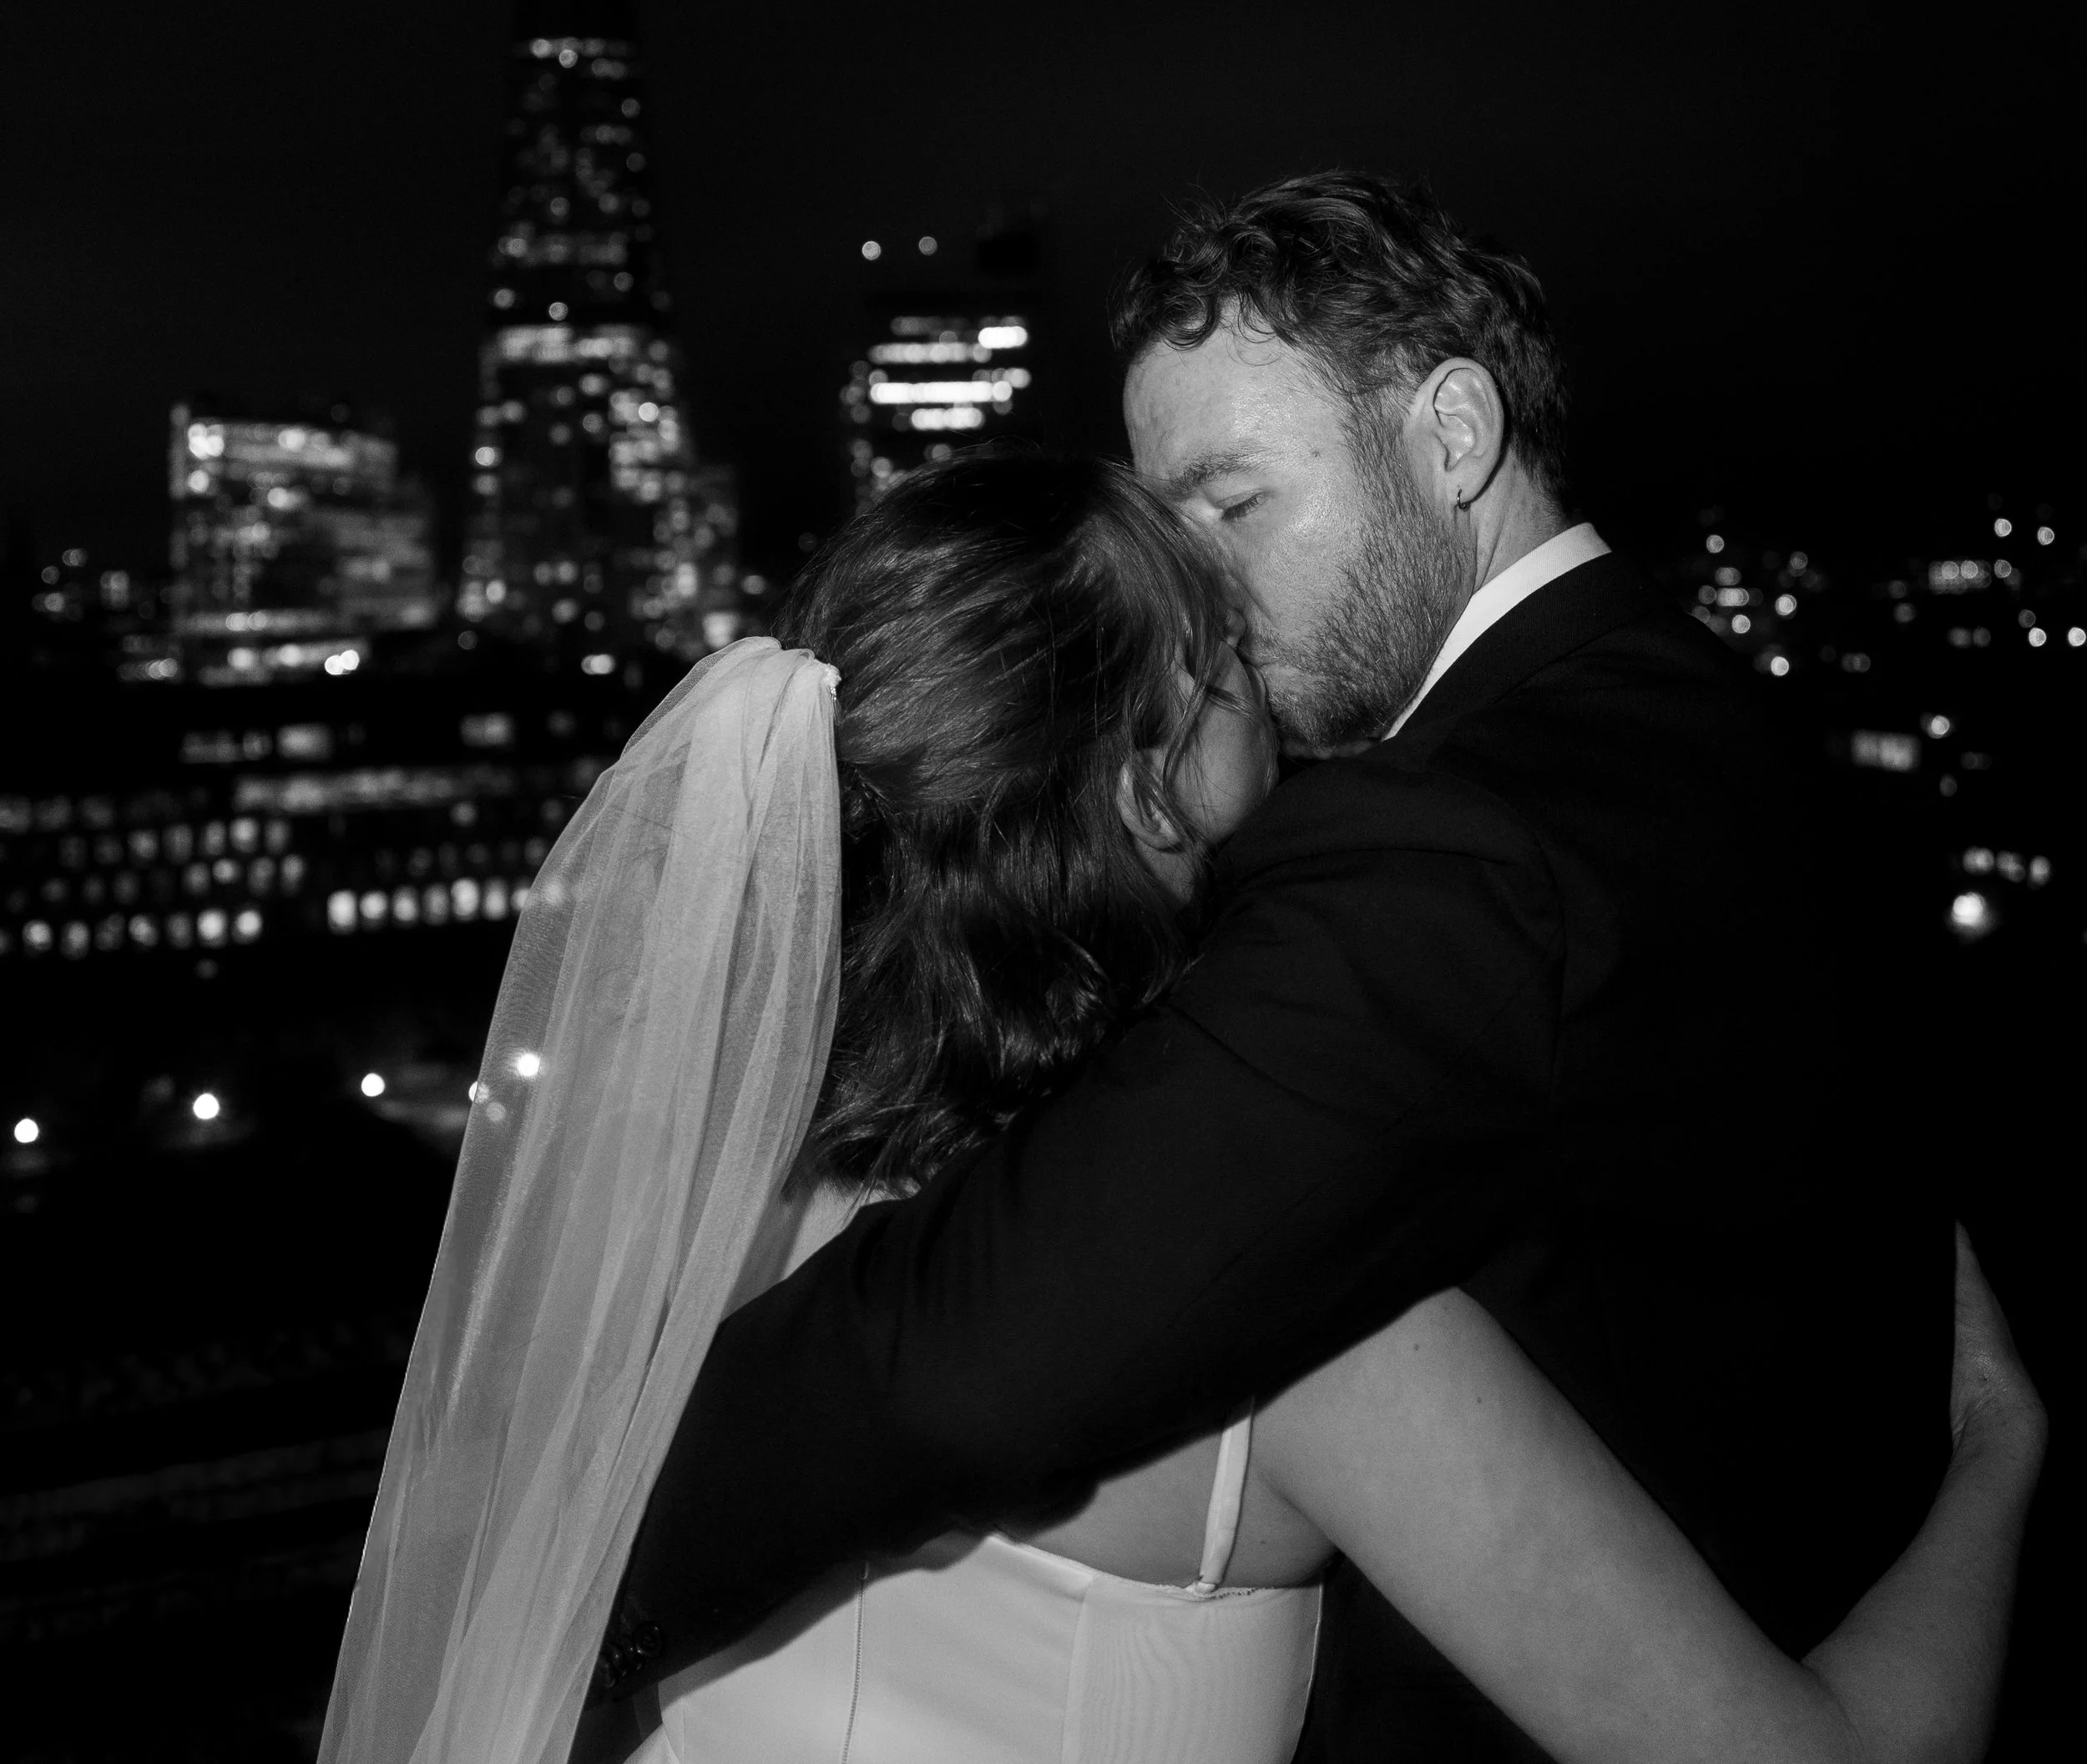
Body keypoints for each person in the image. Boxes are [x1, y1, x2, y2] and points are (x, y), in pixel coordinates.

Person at [320, 447, 2042, 1764]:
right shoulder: (1310, 1319)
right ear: (1147, 778)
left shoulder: (665, 1192)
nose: (1280, 704)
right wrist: (1995, 1458)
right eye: (1226, 656)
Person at [599, 173, 1975, 1758]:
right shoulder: (1716, 732)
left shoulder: (1445, 839)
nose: (1206, 594)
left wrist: (566, 1562)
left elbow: (968, 1352)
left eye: (1233, 504)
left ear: (1452, 438)